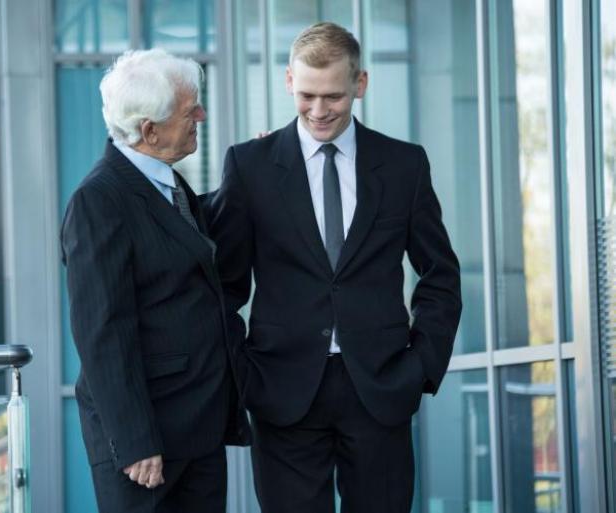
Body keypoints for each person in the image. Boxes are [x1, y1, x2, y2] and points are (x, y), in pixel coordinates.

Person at [208, 22, 462, 513]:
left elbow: (440, 275)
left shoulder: (405, 165)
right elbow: (224, 285)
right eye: (306, 95)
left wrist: (420, 366)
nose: (319, 110)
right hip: (281, 391)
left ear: (360, 84)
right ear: (288, 81)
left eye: (333, 97)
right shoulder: (249, 166)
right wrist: (244, 369)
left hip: (381, 387)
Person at [61, 48, 248, 513]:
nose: (201, 114)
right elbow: (101, 330)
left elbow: (188, 244)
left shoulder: (166, 183)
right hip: (147, 444)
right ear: (149, 130)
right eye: (191, 110)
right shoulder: (98, 200)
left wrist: (254, 176)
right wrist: (136, 440)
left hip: (196, 427)